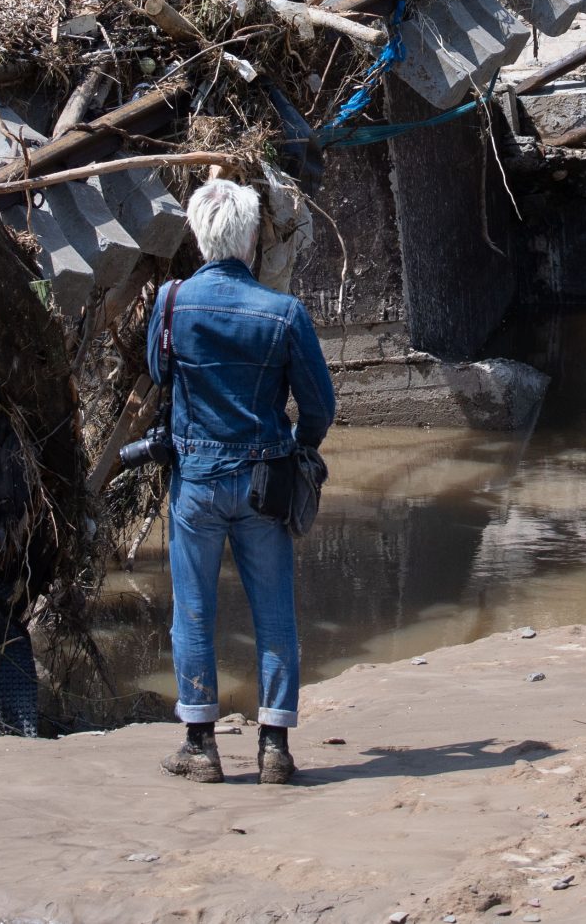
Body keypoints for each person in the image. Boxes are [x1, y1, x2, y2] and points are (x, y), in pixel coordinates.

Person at [149, 177, 335, 785]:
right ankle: (274, 748)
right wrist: (297, 451)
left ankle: (200, 748)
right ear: (252, 238)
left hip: (195, 482)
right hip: (265, 480)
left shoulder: (172, 302)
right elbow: (319, 408)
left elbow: (158, 370)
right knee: (275, 613)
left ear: (199, 236)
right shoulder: (284, 314)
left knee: (194, 612)